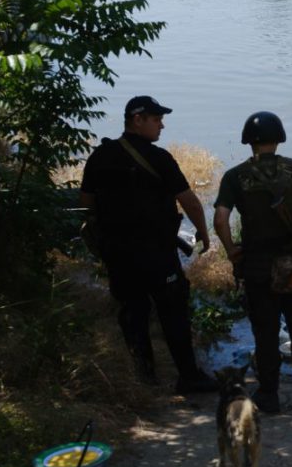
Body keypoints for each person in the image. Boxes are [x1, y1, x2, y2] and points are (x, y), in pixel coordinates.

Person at [79, 95, 219, 394]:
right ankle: (189, 376)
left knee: (133, 311)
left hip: (117, 253)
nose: (162, 125)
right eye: (156, 119)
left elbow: (86, 204)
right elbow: (190, 202)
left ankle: (144, 377)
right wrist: (203, 233)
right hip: (156, 252)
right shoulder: (159, 158)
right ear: (137, 119)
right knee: (173, 312)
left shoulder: (99, 157)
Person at [213, 112, 292, 413]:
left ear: (249, 142)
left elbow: (221, 220)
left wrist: (232, 251)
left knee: (265, 332)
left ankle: (269, 394)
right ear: (279, 139)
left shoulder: (234, 176)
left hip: (257, 266)